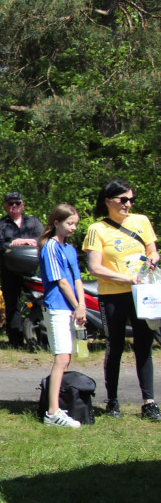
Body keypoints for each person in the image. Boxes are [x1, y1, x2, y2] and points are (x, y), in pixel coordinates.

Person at [83, 179, 159, 421]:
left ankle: (149, 402)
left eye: (131, 199)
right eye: (123, 199)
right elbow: (94, 268)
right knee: (114, 346)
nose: (128, 204)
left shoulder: (141, 221)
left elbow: (152, 250)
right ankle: (112, 401)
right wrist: (126, 279)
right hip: (113, 295)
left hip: (142, 294)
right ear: (108, 201)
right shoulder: (97, 229)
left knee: (144, 347)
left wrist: (153, 260)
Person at [38, 204, 85, 428]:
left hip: (72, 307)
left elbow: (77, 280)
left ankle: (58, 404)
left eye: (75, 224)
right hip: (57, 307)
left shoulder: (70, 249)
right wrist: (77, 305)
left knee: (66, 358)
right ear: (56, 223)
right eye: (69, 224)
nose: (73, 228)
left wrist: (82, 305)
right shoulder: (50, 247)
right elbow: (61, 282)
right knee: (61, 358)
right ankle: (52, 412)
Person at [0, 192, 44, 348]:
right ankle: (16, 341)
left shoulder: (34, 222)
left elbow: (44, 239)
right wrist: (14, 243)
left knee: (38, 302)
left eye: (17, 203)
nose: (13, 206)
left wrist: (29, 241)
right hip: (9, 270)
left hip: (31, 270)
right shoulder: (0, 224)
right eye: (10, 204)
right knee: (12, 304)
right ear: (5, 206)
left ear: (22, 205)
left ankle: (42, 338)